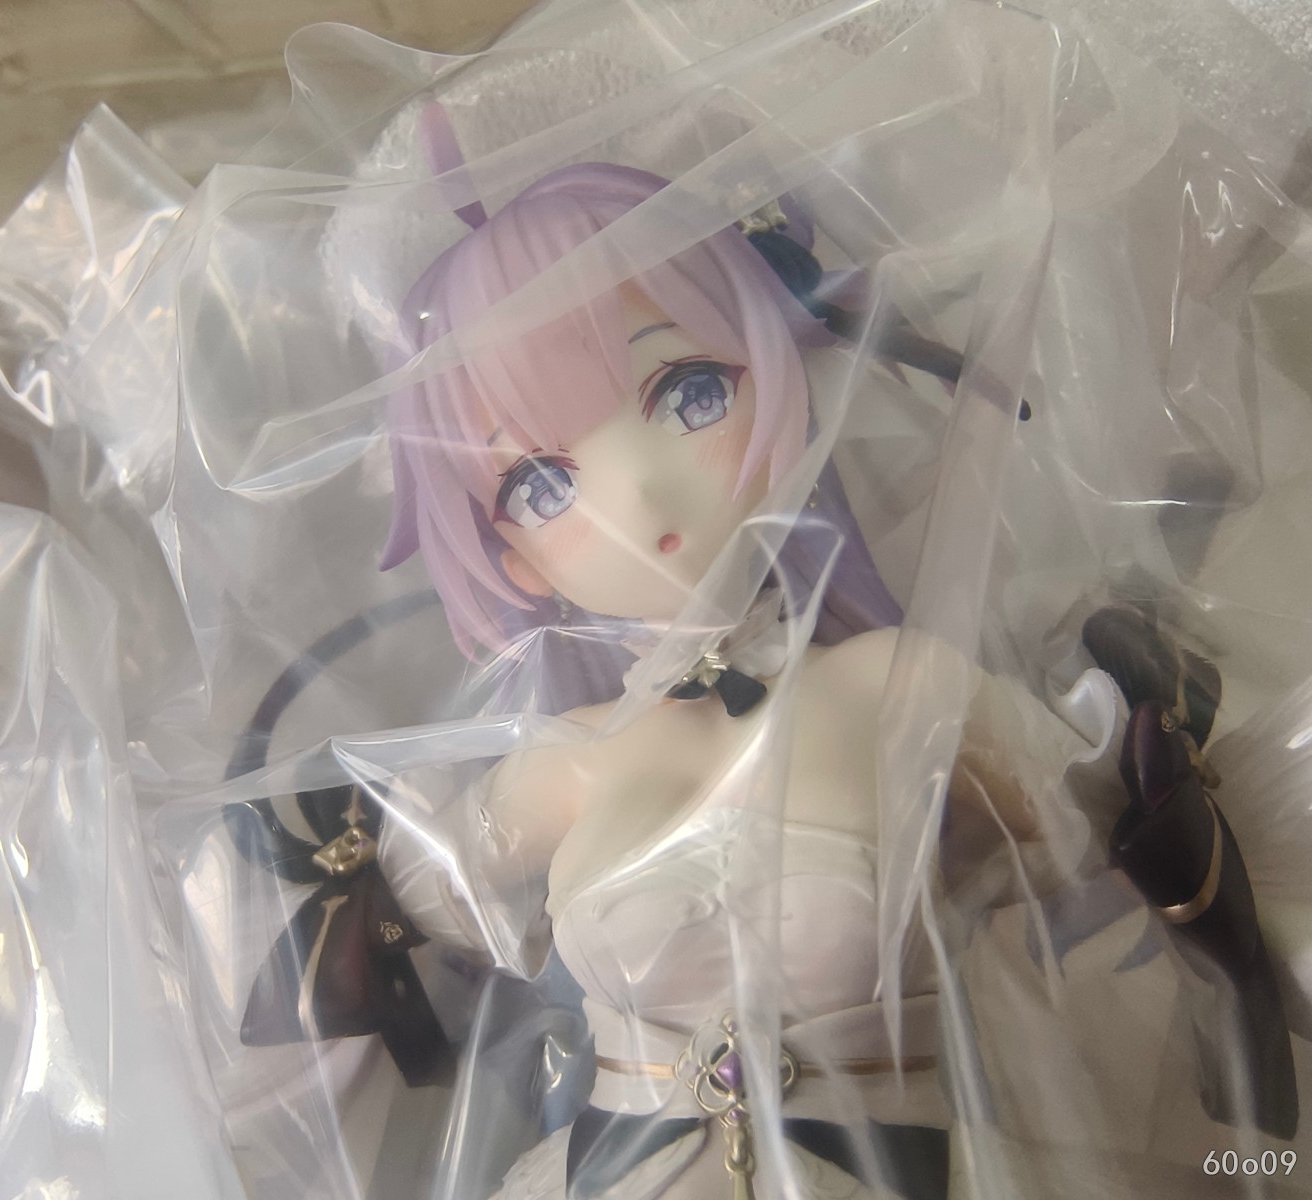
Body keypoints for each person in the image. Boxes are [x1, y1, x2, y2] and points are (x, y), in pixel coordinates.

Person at [362, 160, 1111, 1200]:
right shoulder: (564, 761)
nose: (639, 491)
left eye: (690, 394)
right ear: (511, 560)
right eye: (541, 485)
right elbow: (409, 913)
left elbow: (1093, 845)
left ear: (785, 380)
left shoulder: (899, 686)